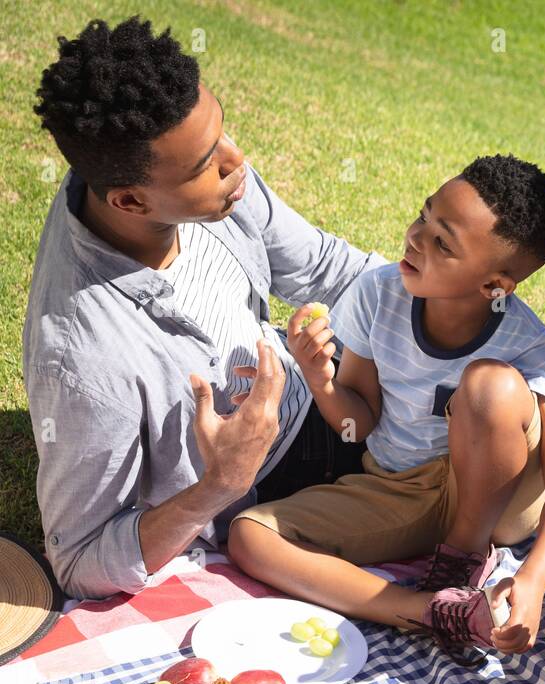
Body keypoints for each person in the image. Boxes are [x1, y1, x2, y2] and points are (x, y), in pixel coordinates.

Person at [23, 16, 383, 600]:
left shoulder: (188, 176)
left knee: (479, 358)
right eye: (202, 165)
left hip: (325, 385)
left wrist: (441, 300)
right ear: (131, 201)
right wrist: (222, 481)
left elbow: (331, 268)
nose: (236, 160)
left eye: (220, 134)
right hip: (275, 483)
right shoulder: (84, 360)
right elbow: (79, 560)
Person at [227, 157, 545, 655]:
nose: (416, 238)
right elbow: (359, 424)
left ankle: (463, 556)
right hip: (399, 487)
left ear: (494, 286)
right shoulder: (377, 293)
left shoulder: (527, 345)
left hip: (498, 499)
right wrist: (319, 380)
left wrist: (533, 581)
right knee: (249, 537)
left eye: (443, 243)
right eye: (424, 216)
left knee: (490, 385)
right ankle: (432, 611)